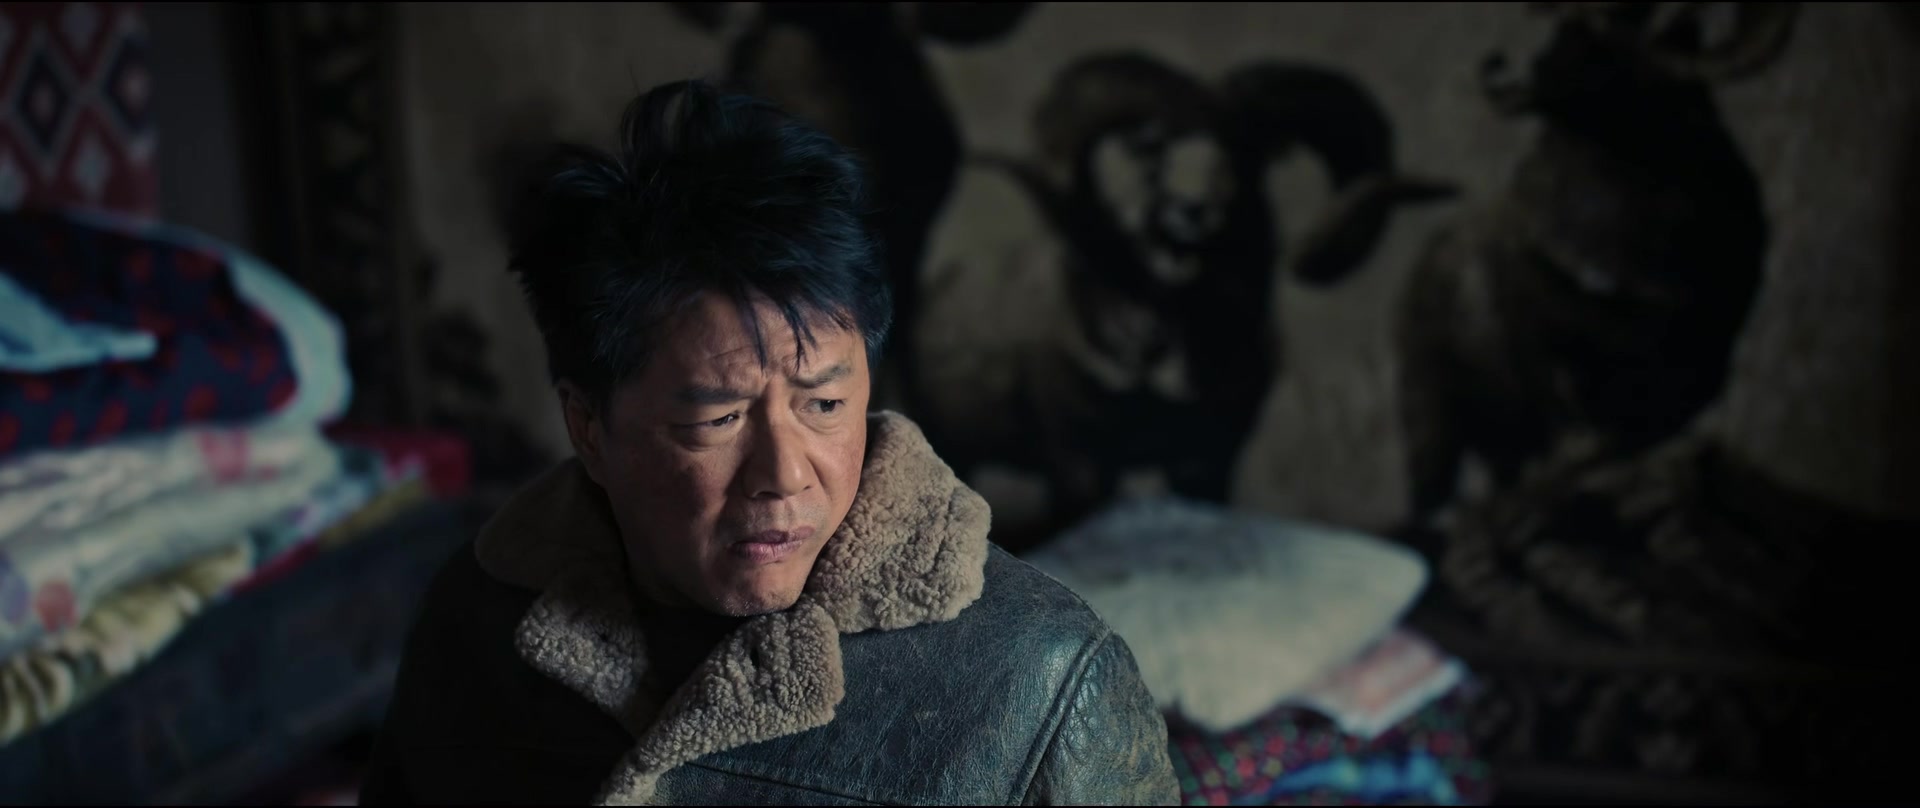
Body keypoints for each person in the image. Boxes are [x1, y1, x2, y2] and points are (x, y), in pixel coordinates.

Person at [360, 79, 1178, 805]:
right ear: (589, 428)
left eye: (824, 404)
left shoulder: (1042, 680)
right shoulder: (479, 625)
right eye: (716, 421)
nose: (784, 475)